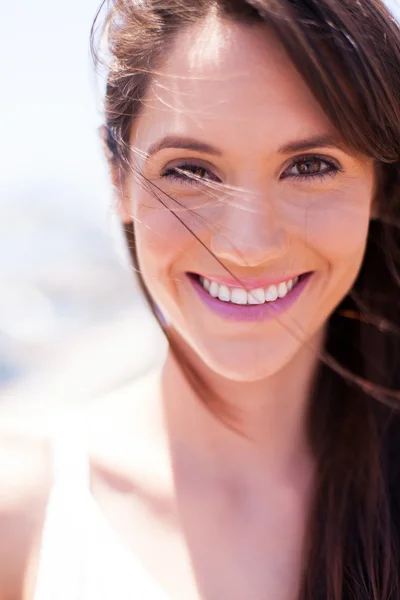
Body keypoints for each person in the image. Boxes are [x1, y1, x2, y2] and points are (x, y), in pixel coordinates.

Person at [1, 0, 400, 598]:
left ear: (380, 186)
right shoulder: (24, 510)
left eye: (310, 165)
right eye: (190, 170)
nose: (249, 247)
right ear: (119, 180)